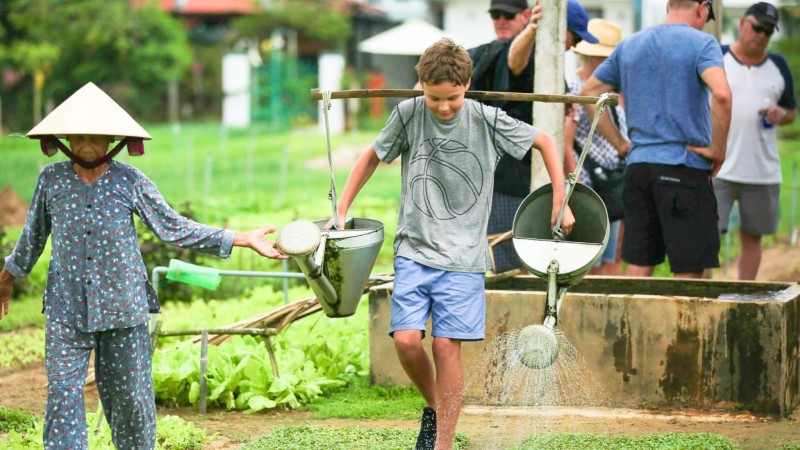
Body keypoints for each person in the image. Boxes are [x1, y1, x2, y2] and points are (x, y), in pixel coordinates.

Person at [0, 82, 287, 449]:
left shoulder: (129, 181)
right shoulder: (51, 181)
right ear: (65, 138)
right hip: (65, 309)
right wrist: (8, 276)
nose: (87, 144)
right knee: (62, 396)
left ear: (112, 140)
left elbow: (174, 227)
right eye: (79, 136)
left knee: (130, 402)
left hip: (123, 308)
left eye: (96, 137)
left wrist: (241, 238)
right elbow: (32, 237)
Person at [330, 39, 574, 450]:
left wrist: (559, 199)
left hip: (463, 259)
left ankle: (442, 443)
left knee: (446, 346)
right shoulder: (408, 114)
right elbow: (372, 156)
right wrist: (342, 208)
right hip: (414, 249)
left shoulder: (486, 119)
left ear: (468, 85)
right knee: (407, 340)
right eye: (434, 97)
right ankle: (438, 408)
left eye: (453, 98)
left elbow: (546, 142)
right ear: (419, 86)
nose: (443, 107)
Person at [580, 0, 732, 278]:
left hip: (639, 169)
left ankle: (629, 323)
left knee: (639, 264)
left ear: (668, 6)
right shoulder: (703, 44)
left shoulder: (629, 45)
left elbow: (590, 93)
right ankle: (684, 324)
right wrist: (718, 149)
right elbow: (721, 95)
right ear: (701, 8)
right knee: (689, 270)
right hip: (684, 166)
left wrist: (622, 145)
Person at [470, 0, 596, 273]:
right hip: (504, 179)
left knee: (530, 258)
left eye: (508, 15)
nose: (572, 46)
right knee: (505, 264)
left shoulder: (549, 65)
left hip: (530, 178)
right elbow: (514, 62)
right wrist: (532, 31)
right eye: (497, 15)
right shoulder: (506, 52)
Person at [713, 2, 796, 280]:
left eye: (769, 31)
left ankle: (743, 298)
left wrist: (780, 114)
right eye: (758, 28)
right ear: (742, 24)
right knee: (706, 238)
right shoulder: (716, 57)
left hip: (761, 171)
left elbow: (791, 113)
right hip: (717, 168)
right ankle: (702, 298)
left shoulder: (778, 66)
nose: (761, 35)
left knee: (753, 238)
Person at [564, 18, 628, 276]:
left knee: (610, 257)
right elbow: (565, 143)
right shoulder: (574, 88)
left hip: (611, 183)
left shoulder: (611, 89)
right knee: (588, 260)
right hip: (588, 182)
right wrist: (576, 183)